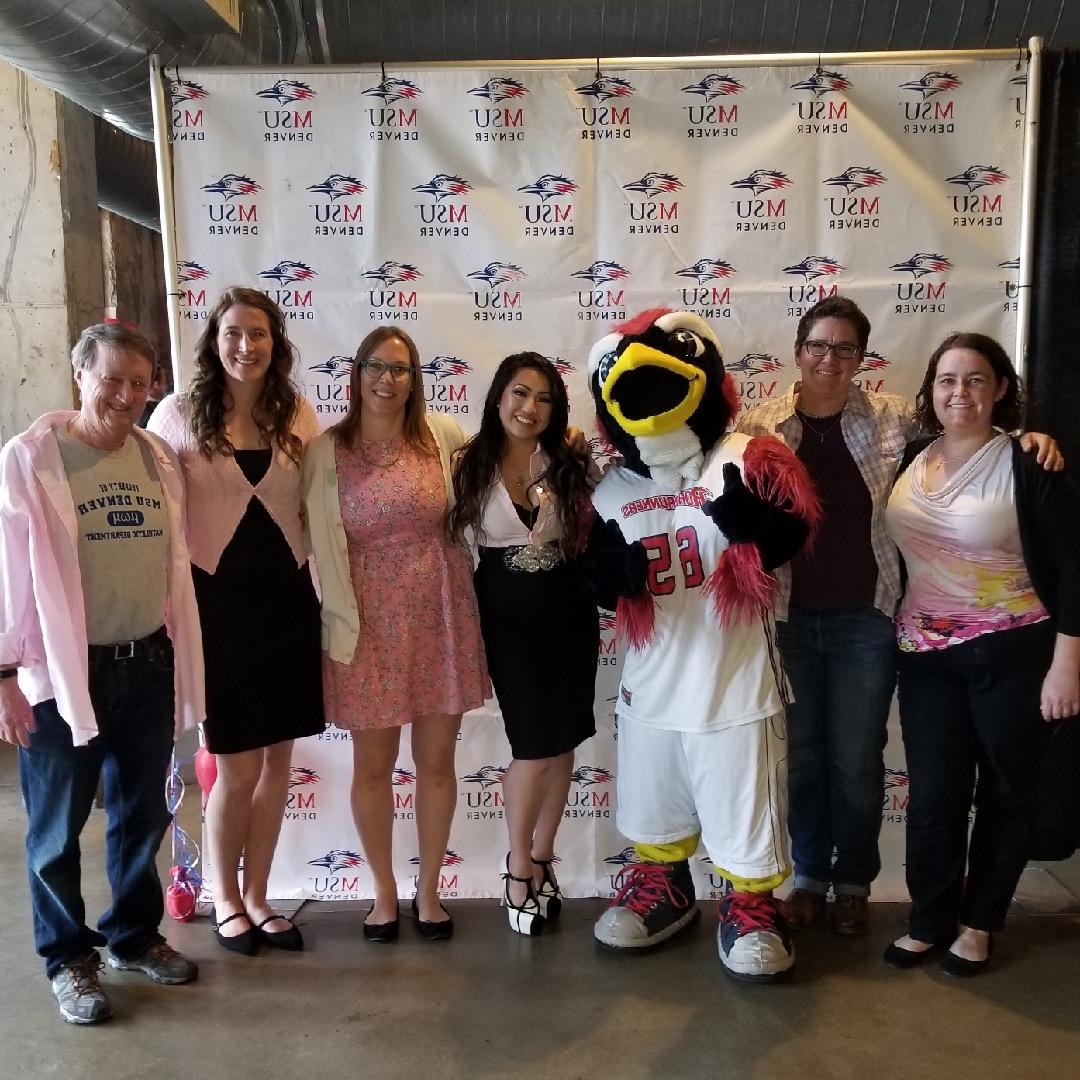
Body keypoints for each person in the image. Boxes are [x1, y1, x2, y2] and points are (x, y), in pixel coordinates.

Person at [737, 296, 1061, 935]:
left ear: (861, 358)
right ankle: (806, 878)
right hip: (786, 619)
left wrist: (1030, 437)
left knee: (857, 760)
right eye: (817, 346)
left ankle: (853, 881)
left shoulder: (894, 422)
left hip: (869, 619)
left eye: (845, 348)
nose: (829, 359)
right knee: (800, 757)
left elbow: (971, 440)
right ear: (798, 352)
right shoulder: (758, 429)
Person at [0, 323, 204, 1025]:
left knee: (142, 813)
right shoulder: (32, 458)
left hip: (146, 660)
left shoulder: (156, 457)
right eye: (110, 378)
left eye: (138, 383)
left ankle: (132, 935)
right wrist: (3, 674)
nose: (123, 394)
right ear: (79, 376)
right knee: (56, 831)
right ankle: (68, 960)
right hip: (62, 677)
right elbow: (7, 574)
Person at [883, 332, 1080, 976]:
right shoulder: (912, 456)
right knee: (935, 794)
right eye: (946, 379)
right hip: (925, 656)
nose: (958, 392)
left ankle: (978, 924)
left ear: (1000, 389)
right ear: (930, 390)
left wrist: (1067, 662)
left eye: (974, 380)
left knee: (1006, 793)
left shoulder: (1028, 462)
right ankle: (929, 920)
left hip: (1015, 653)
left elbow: (1075, 566)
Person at [148, 288, 325, 955]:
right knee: (235, 765)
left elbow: (322, 504)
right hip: (215, 607)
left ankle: (259, 895)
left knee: (278, 760)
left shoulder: (297, 415)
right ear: (213, 341)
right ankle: (226, 896)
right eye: (232, 333)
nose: (244, 346)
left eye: (258, 333)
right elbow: (160, 516)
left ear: (274, 342)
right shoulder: (177, 415)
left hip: (285, 602)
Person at [303, 327, 488, 941]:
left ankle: (429, 892)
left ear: (415, 380)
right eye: (376, 367)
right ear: (356, 374)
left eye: (401, 369)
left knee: (437, 764)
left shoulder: (443, 438)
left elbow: (497, 477)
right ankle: (382, 893)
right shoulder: (326, 450)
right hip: (365, 626)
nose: (388, 380)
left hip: (440, 617)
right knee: (372, 767)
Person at [449, 353, 598, 934]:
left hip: (568, 610)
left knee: (563, 745)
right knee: (531, 745)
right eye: (518, 393)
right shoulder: (467, 461)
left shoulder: (569, 459)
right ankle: (515, 870)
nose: (528, 408)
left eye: (542, 399)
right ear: (497, 397)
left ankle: (542, 858)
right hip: (506, 615)